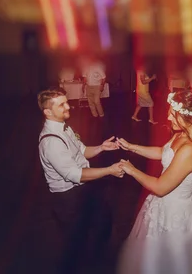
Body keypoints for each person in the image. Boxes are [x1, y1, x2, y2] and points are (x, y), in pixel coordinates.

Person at [116, 90, 192, 273]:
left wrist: (131, 170)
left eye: (173, 114)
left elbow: (160, 187)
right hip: (162, 207)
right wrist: (132, 147)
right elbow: (162, 152)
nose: (168, 117)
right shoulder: (182, 134)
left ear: (186, 117)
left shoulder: (191, 149)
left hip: (175, 215)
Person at [37, 88, 123, 273]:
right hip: (68, 198)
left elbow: (82, 151)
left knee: (102, 220)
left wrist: (101, 147)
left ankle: (98, 259)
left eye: (67, 101)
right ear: (47, 112)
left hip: (84, 189)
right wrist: (109, 170)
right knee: (74, 245)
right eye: (62, 105)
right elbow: (76, 174)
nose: (68, 106)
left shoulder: (65, 127)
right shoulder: (51, 142)